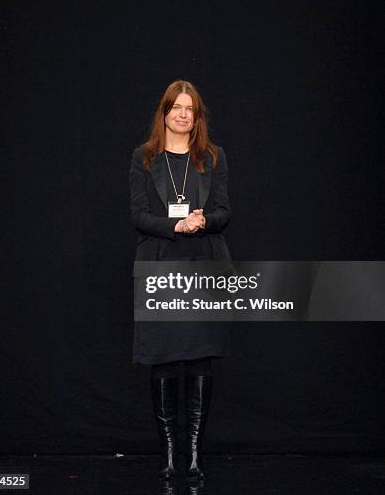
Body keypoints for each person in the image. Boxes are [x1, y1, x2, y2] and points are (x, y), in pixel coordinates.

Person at [129, 79, 232, 481]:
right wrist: (177, 224)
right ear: (165, 112)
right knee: (164, 358)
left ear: (196, 116)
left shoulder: (213, 156)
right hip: (160, 268)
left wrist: (204, 220)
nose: (183, 114)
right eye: (176, 108)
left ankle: (193, 455)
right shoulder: (144, 158)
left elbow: (225, 211)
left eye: (190, 109)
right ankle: (170, 455)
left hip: (203, 267)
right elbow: (138, 216)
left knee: (200, 358)